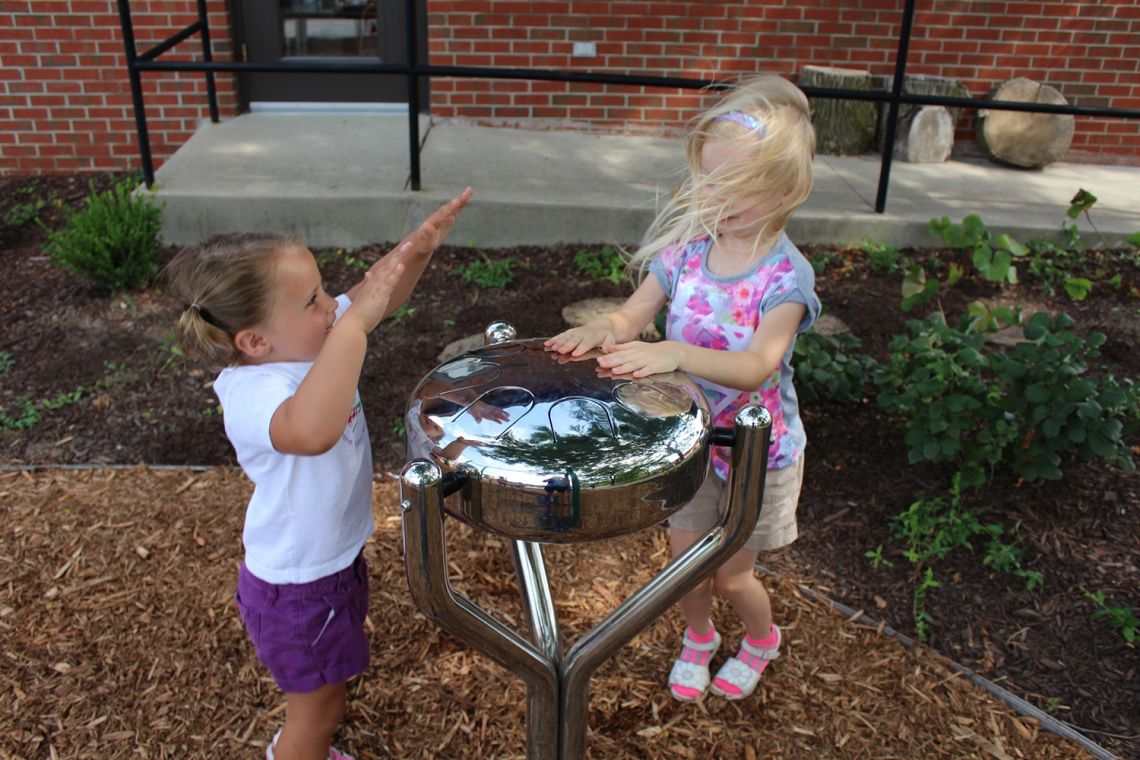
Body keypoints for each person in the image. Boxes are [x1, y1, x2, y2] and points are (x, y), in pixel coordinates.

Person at [164, 187, 472, 759]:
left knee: (330, 691)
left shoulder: (303, 343)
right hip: (297, 587)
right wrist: (352, 330)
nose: (331, 304)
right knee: (319, 710)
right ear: (254, 341)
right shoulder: (253, 390)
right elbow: (310, 432)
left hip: (328, 565)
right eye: (312, 300)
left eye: (323, 289)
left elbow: (375, 293)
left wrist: (419, 249)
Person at [546, 75, 819, 702]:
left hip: (758, 455)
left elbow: (757, 367)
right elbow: (629, 316)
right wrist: (602, 328)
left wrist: (675, 351)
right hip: (690, 441)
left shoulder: (786, 278)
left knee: (732, 576)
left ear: (784, 189)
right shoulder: (688, 251)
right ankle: (697, 639)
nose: (714, 199)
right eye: (708, 181)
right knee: (686, 567)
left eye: (733, 187)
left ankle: (759, 638)